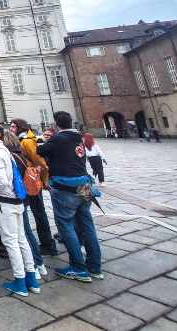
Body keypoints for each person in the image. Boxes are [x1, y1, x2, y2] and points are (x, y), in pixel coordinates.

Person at [39, 112, 102, 282]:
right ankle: (95, 266)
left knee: (66, 226)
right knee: (87, 224)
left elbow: (40, 150)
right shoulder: (78, 137)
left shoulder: (59, 138)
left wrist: (45, 141)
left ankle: (78, 268)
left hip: (66, 186)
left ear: (57, 124)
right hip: (84, 184)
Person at [0, 123, 40, 297]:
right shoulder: (6, 152)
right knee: (22, 239)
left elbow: (0, 181)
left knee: (11, 242)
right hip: (17, 200)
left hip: (6, 201)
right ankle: (32, 278)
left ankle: (20, 281)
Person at [3, 130, 47, 278]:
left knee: (23, 234)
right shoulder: (20, 154)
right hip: (24, 197)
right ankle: (39, 265)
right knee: (26, 232)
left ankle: (33, 267)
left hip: (16, 198)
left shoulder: (11, 157)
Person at [11, 118, 57, 257]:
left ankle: (48, 244)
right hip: (28, 180)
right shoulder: (22, 139)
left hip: (31, 180)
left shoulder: (26, 141)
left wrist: (44, 180)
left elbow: (40, 163)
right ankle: (45, 243)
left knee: (39, 212)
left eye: (13, 126)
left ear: (20, 127)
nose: (11, 129)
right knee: (36, 212)